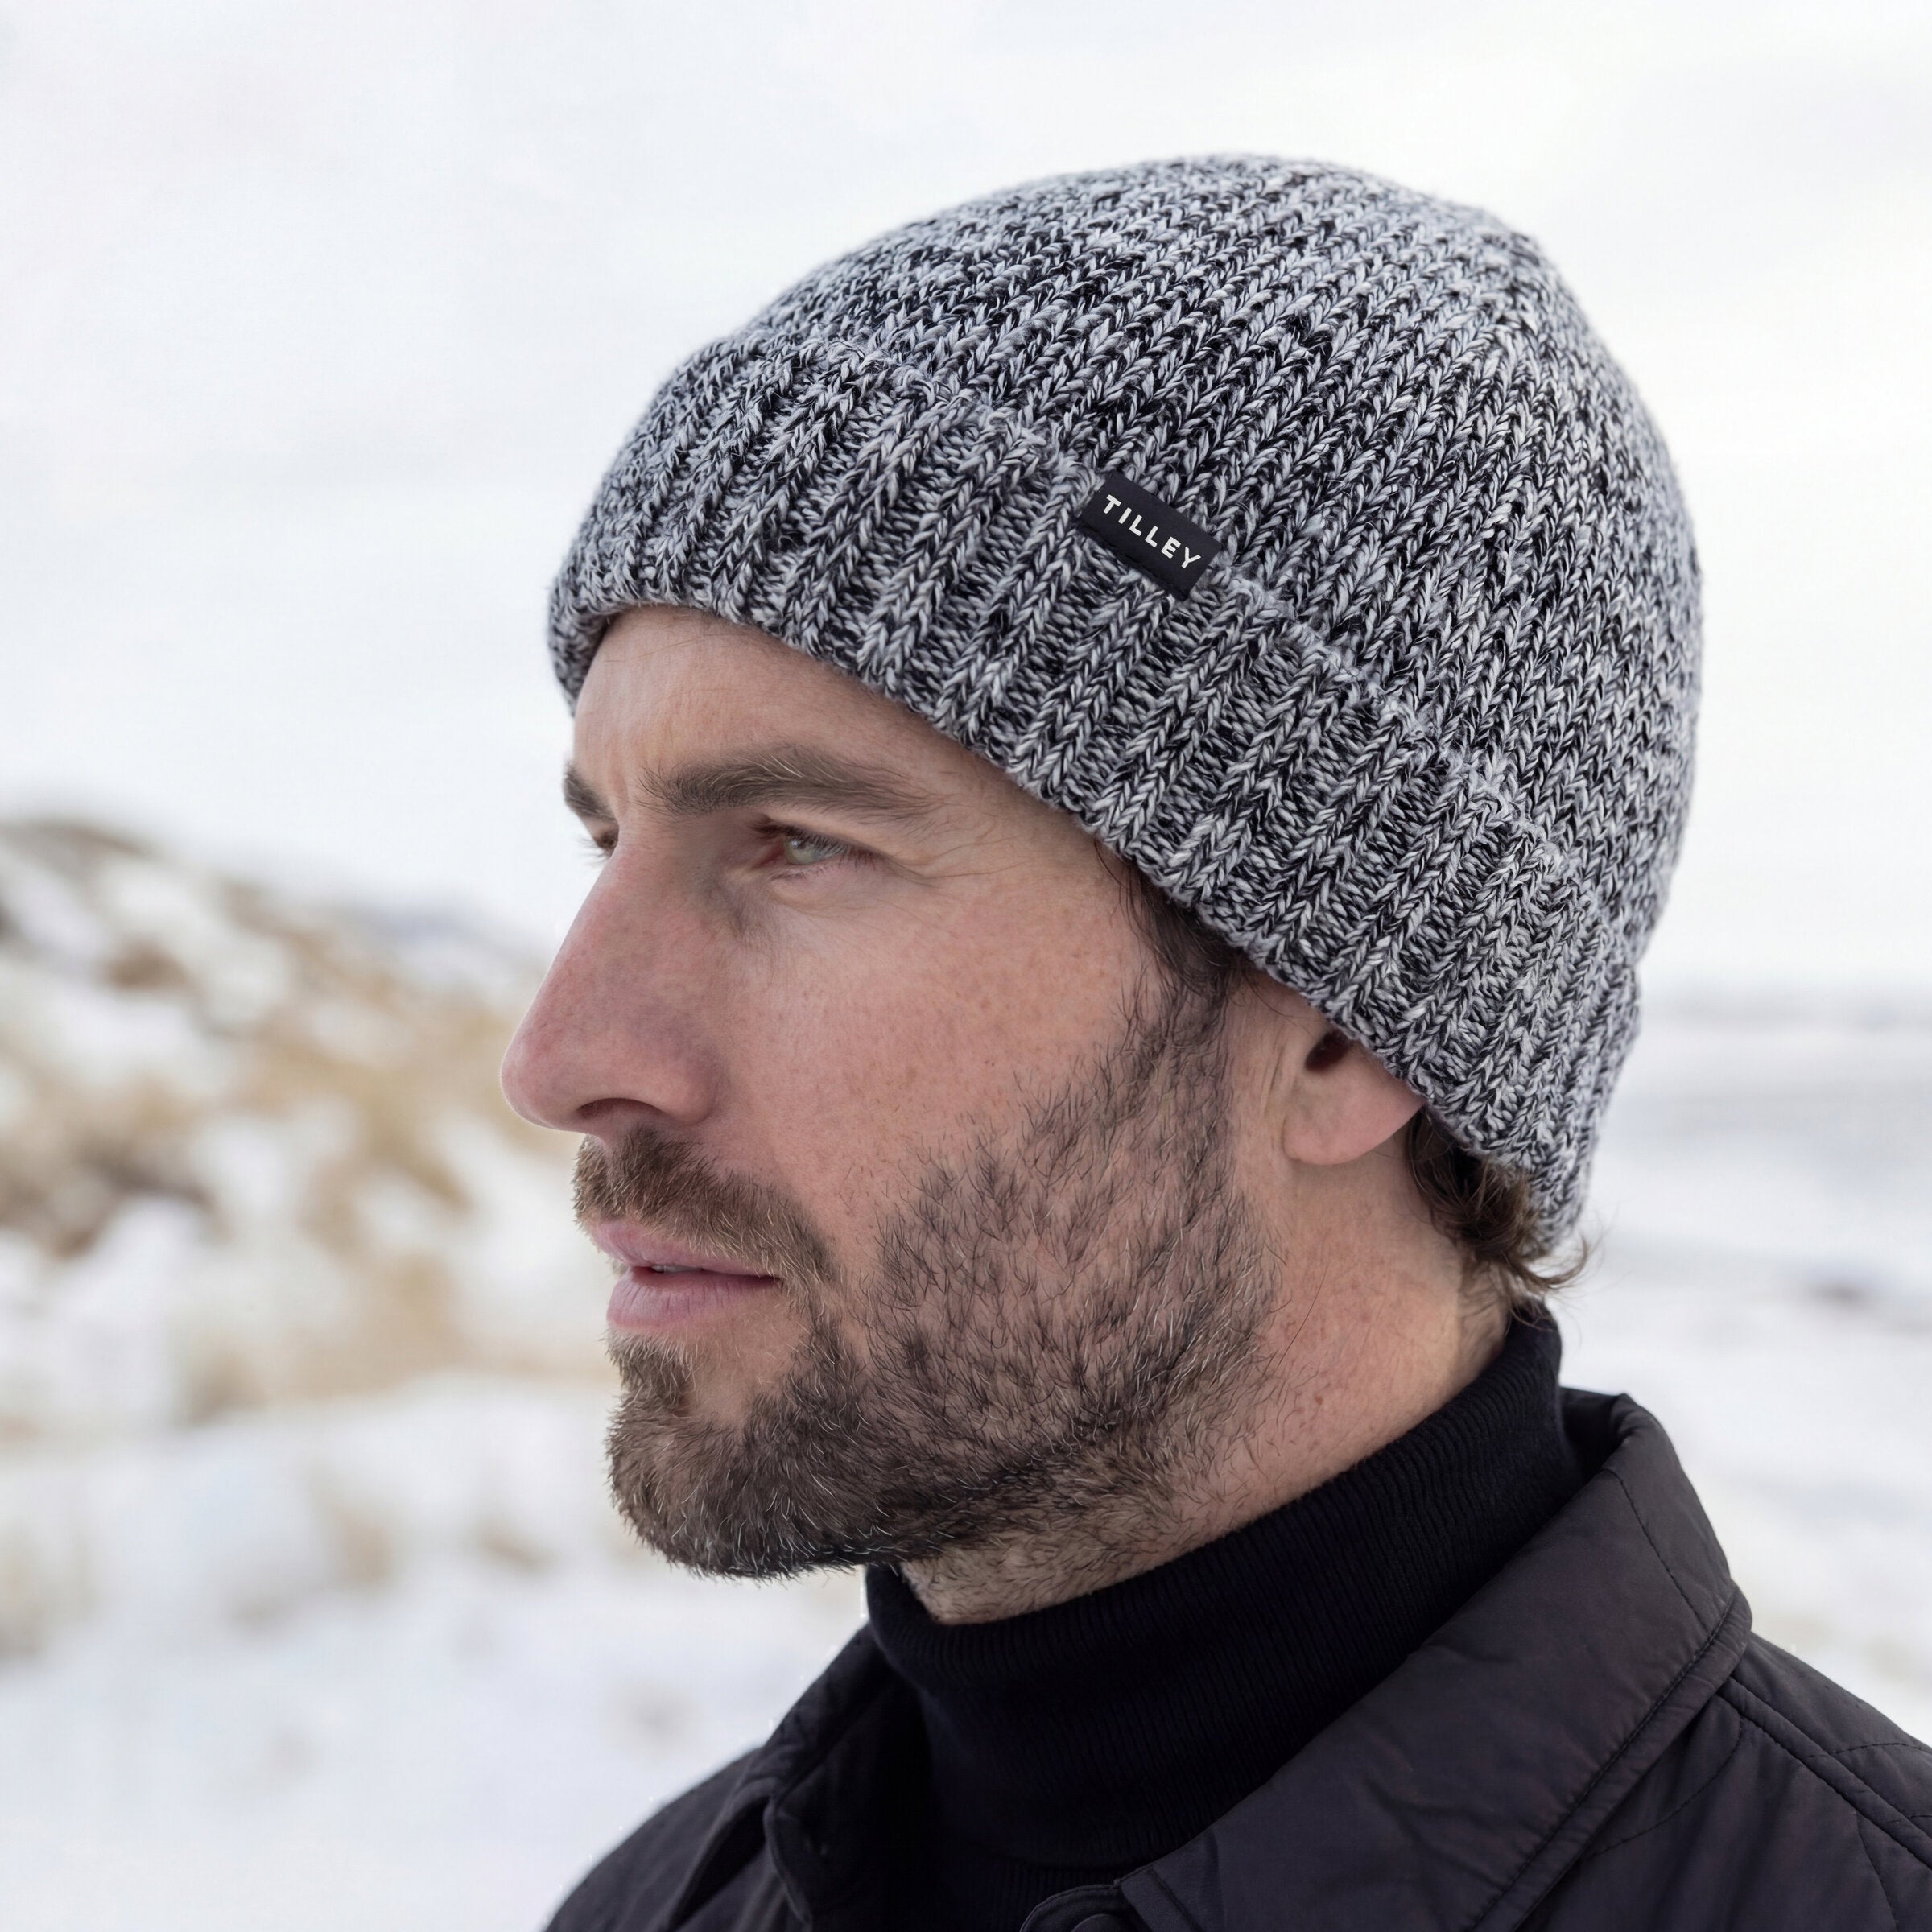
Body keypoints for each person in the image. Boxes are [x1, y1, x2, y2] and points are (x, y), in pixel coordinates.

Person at [502, 158, 1932, 1932]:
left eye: (797, 845)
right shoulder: (661, 1902)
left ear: (1340, 1029)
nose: (559, 1058)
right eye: (606, 839)